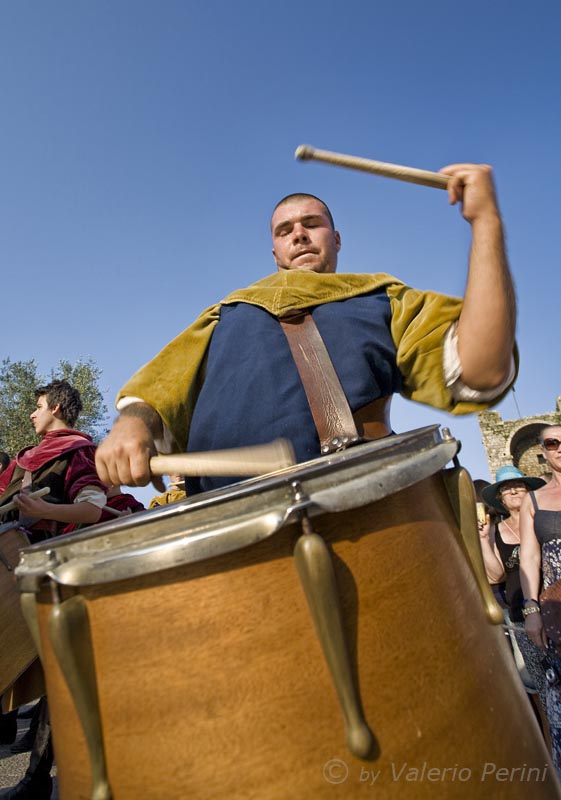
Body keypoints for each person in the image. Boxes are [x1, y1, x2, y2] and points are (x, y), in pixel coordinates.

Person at [95, 164, 517, 494]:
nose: (298, 235)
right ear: (275, 250)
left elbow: (481, 370)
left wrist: (486, 223)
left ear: (336, 239)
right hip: (227, 522)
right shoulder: (225, 315)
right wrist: (131, 424)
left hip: (366, 504)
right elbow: (160, 388)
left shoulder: (386, 299)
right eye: (285, 230)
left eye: (311, 224)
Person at [0, 380, 107, 800]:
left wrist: (44, 510)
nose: (31, 413)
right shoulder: (25, 460)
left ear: (58, 408)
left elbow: (93, 508)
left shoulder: (78, 453)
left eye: (39, 405)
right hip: (16, 572)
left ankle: (36, 779)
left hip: (55, 572)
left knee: (57, 674)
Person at [479, 467, 549, 733]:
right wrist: (485, 542)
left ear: (529, 489)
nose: (513, 490)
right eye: (506, 488)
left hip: (555, 608)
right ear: (500, 499)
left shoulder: (546, 519)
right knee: (539, 685)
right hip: (521, 617)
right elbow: (496, 575)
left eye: (518, 484)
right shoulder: (497, 531)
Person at [520, 425, 561, 777]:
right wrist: (531, 609)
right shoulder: (534, 502)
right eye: (553, 443)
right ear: (542, 452)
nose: (560, 448)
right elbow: (529, 559)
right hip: (557, 610)